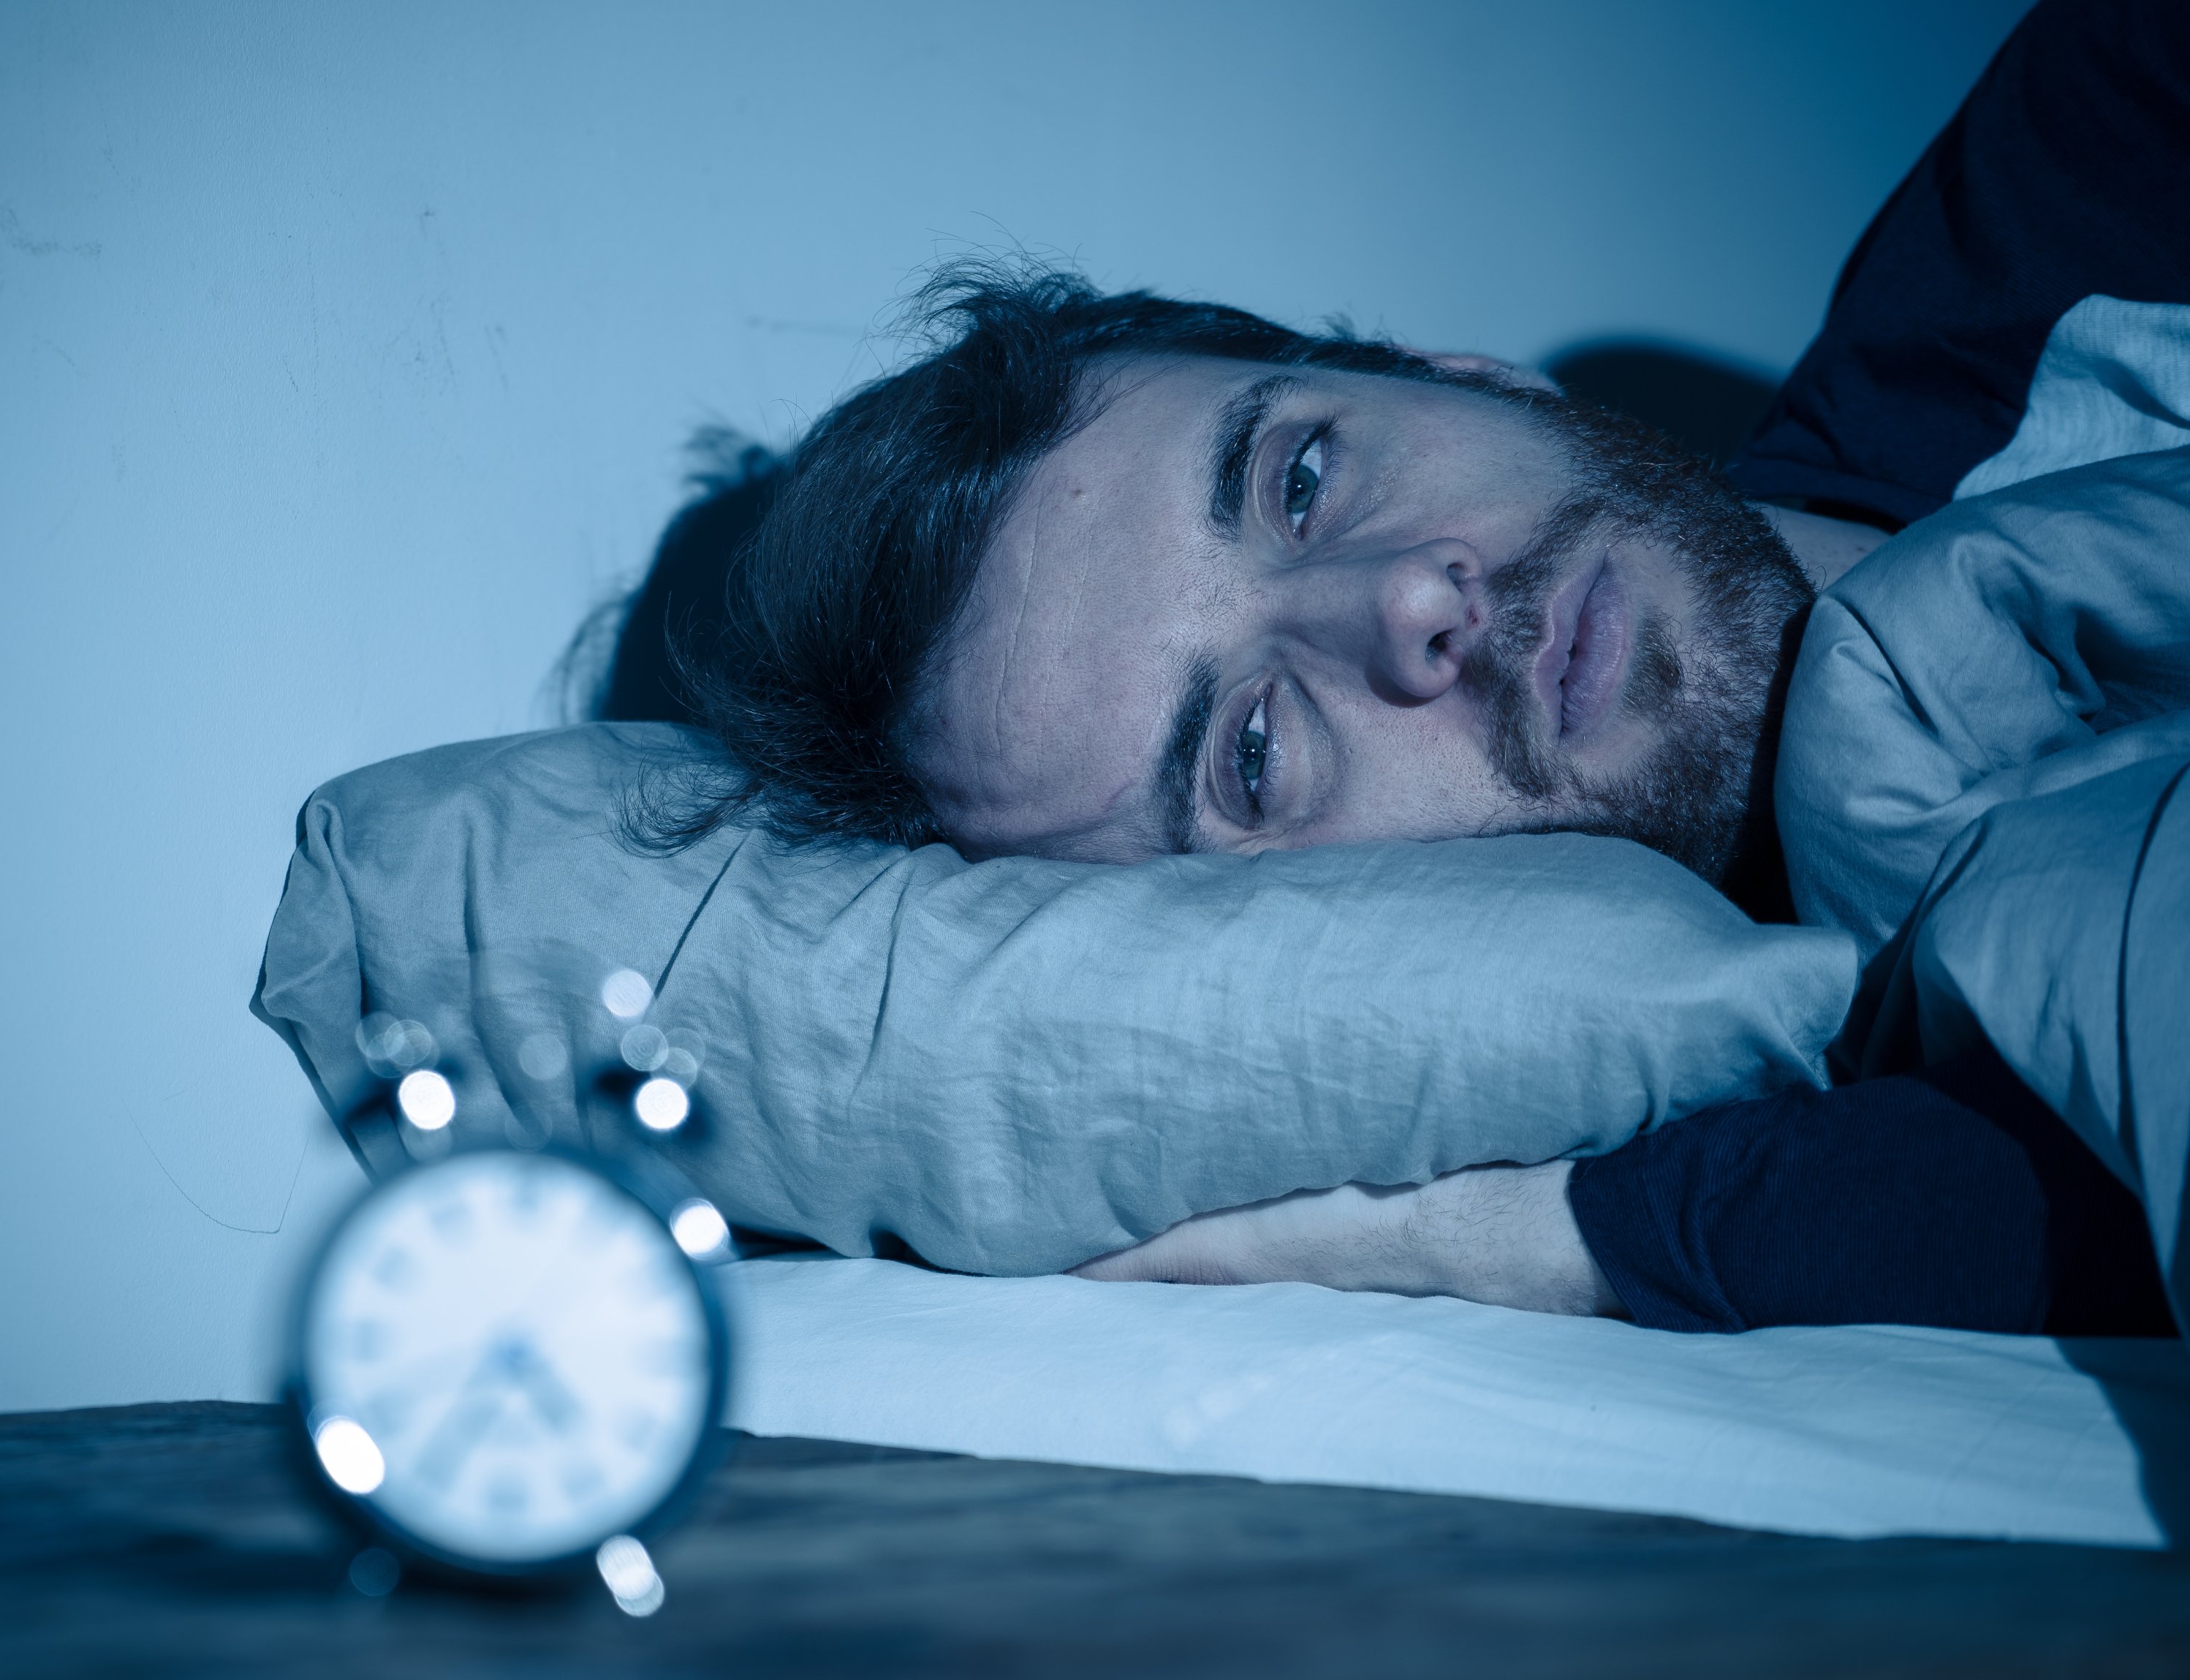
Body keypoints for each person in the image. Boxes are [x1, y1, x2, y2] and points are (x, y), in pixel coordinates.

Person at [609, 0, 2190, 1336]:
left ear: (1461, 376)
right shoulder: (1819, 1097)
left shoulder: (2111, 128)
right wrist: (1526, 1233)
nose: (1411, 609)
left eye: (1300, 479)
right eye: (1251, 753)